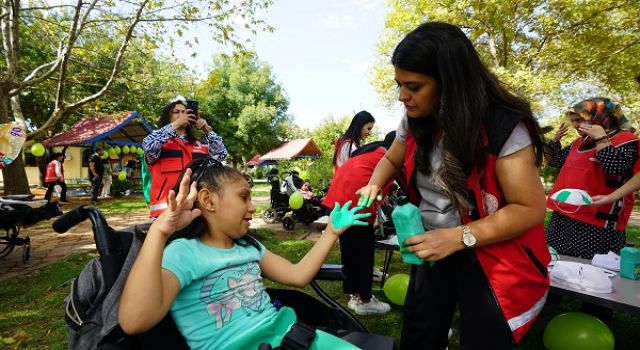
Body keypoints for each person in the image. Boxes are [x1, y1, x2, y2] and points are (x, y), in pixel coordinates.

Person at [355, 22, 550, 349]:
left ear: (450, 83)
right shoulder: (414, 117)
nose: (403, 96)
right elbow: (390, 160)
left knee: (485, 338)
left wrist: (459, 237)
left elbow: (529, 208)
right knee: (419, 334)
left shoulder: (504, 126)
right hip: (434, 245)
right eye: (399, 85)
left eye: (414, 86)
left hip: (490, 253)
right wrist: (375, 184)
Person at [118, 158, 370, 349]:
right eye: (243, 197)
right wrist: (158, 232)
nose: (252, 207)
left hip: (293, 337)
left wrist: (331, 234)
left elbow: (298, 275)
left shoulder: (248, 247)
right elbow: (134, 321)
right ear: (208, 200)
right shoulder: (184, 253)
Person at [546, 97, 639, 259]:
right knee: (557, 263)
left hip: (597, 222)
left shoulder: (626, 140)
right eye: (573, 121)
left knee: (592, 272)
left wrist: (601, 139)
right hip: (564, 215)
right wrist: (554, 142)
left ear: (600, 116)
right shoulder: (578, 142)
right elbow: (555, 162)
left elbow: (615, 167)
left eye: (580, 119)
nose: (575, 125)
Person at [323, 131, 397, 316]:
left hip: (338, 202)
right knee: (363, 254)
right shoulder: (390, 157)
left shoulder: (370, 153)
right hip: (355, 205)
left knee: (350, 252)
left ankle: (354, 296)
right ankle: (365, 300)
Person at [142, 98, 228, 218]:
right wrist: (176, 125)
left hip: (198, 211)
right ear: (168, 117)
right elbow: (147, 145)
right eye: (177, 112)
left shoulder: (200, 144)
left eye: (185, 112)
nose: (182, 115)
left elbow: (221, 154)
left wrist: (207, 130)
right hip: (166, 213)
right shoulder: (159, 143)